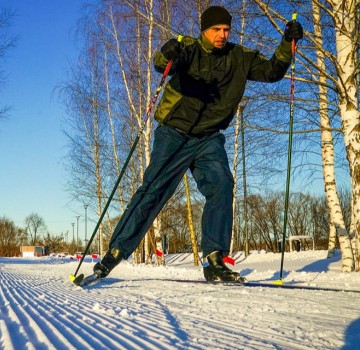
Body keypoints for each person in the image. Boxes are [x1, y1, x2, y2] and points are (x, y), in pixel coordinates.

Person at [93, 5, 303, 282]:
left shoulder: (239, 57)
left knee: (222, 185)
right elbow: (162, 63)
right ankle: (115, 252)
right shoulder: (189, 49)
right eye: (216, 29)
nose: (222, 34)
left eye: (226, 29)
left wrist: (288, 44)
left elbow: (272, 71)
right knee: (154, 190)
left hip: (208, 137)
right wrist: (167, 52)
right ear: (205, 29)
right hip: (174, 133)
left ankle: (215, 259)